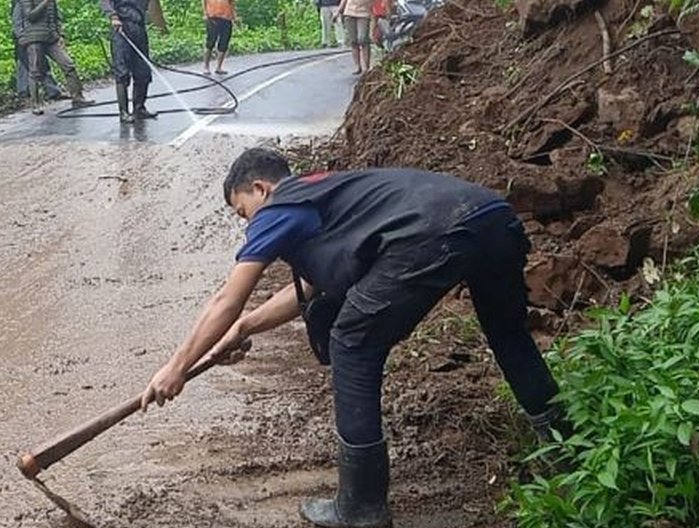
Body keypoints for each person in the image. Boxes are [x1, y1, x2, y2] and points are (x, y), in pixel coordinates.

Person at [139, 147, 564, 528]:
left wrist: (175, 368)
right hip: (490, 215)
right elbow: (306, 288)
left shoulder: (279, 207)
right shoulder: (326, 195)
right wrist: (243, 329)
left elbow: (226, 298)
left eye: (243, 212)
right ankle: (564, 445)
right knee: (507, 332)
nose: (248, 224)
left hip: (432, 232)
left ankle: (361, 507)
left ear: (259, 188)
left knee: (352, 343)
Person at [16, 0, 93, 114]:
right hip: (34, 38)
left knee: (68, 64)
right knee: (35, 71)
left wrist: (60, 35)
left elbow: (55, 17)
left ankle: (78, 97)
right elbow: (31, 16)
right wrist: (45, 1)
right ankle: (36, 104)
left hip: (50, 37)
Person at [100, 0, 161, 124]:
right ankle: (124, 112)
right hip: (122, 30)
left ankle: (139, 108)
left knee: (143, 71)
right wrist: (113, 16)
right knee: (122, 72)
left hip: (139, 31)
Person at [11, 0, 63, 100]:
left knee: (42, 63)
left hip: (44, 35)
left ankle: (52, 91)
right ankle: (25, 92)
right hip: (26, 36)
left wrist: (57, 33)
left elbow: (53, 14)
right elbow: (18, 18)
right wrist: (20, 35)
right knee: (25, 62)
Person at [336, 0, 389, 75]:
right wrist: (339, 11)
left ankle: (366, 67)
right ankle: (358, 67)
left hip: (364, 13)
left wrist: (387, 11)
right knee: (353, 41)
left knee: (363, 39)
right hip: (349, 12)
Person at [201, 0, 237, 75]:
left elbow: (232, 1)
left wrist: (234, 16)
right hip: (213, 16)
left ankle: (219, 67)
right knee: (210, 41)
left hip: (226, 17)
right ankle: (206, 66)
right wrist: (205, 13)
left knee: (224, 43)